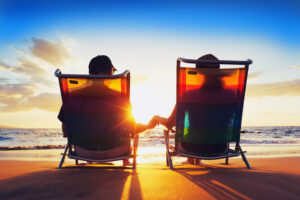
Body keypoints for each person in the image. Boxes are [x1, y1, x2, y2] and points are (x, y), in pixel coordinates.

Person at [58, 55, 158, 162]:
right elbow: (132, 129)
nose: (113, 74)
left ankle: (90, 159)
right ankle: (125, 161)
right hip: (116, 152)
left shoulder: (73, 97)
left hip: (82, 152)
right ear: (105, 74)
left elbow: (66, 130)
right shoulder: (120, 97)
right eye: (112, 71)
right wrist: (148, 126)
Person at [155, 54, 232, 165]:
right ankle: (193, 159)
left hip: (191, 148)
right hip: (219, 148)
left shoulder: (189, 95)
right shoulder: (230, 95)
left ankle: (191, 158)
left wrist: (156, 118)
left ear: (198, 73)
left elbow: (170, 123)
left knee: (193, 136)